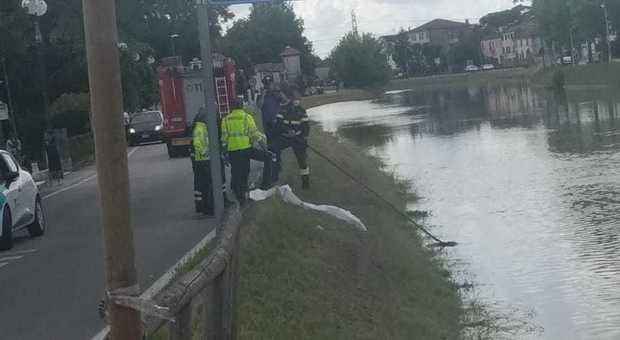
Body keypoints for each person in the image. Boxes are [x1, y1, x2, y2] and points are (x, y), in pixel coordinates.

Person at [221, 97, 274, 205]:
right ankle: (265, 184)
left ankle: (240, 197)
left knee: (237, 173)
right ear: (242, 106)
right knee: (246, 171)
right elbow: (256, 135)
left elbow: (224, 139)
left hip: (233, 151)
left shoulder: (225, 120)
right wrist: (265, 149)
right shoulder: (246, 117)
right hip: (246, 150)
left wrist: (225, 154)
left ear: (232, 106)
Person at [272, 88, 311, 189]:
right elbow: (278, 124)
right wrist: (286, 131)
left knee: (302, 160)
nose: (297, 101)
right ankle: (274, 175)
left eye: (298, 99)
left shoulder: (302, 111)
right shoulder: (283, 109)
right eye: (295, 99)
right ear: (291, 99)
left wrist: (304, 138)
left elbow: (306, 126)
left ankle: (305, 181)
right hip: (285, 138)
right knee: (273, 150)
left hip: (297, 138)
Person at [190, 111, 214, 216]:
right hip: (202, 161)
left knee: (206, 184)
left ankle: (207, 207)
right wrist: (206, 152)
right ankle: (207, 208)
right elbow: (197, 144)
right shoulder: (200, 129)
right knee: (206, 185)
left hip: (203, 160)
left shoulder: (202, 127)